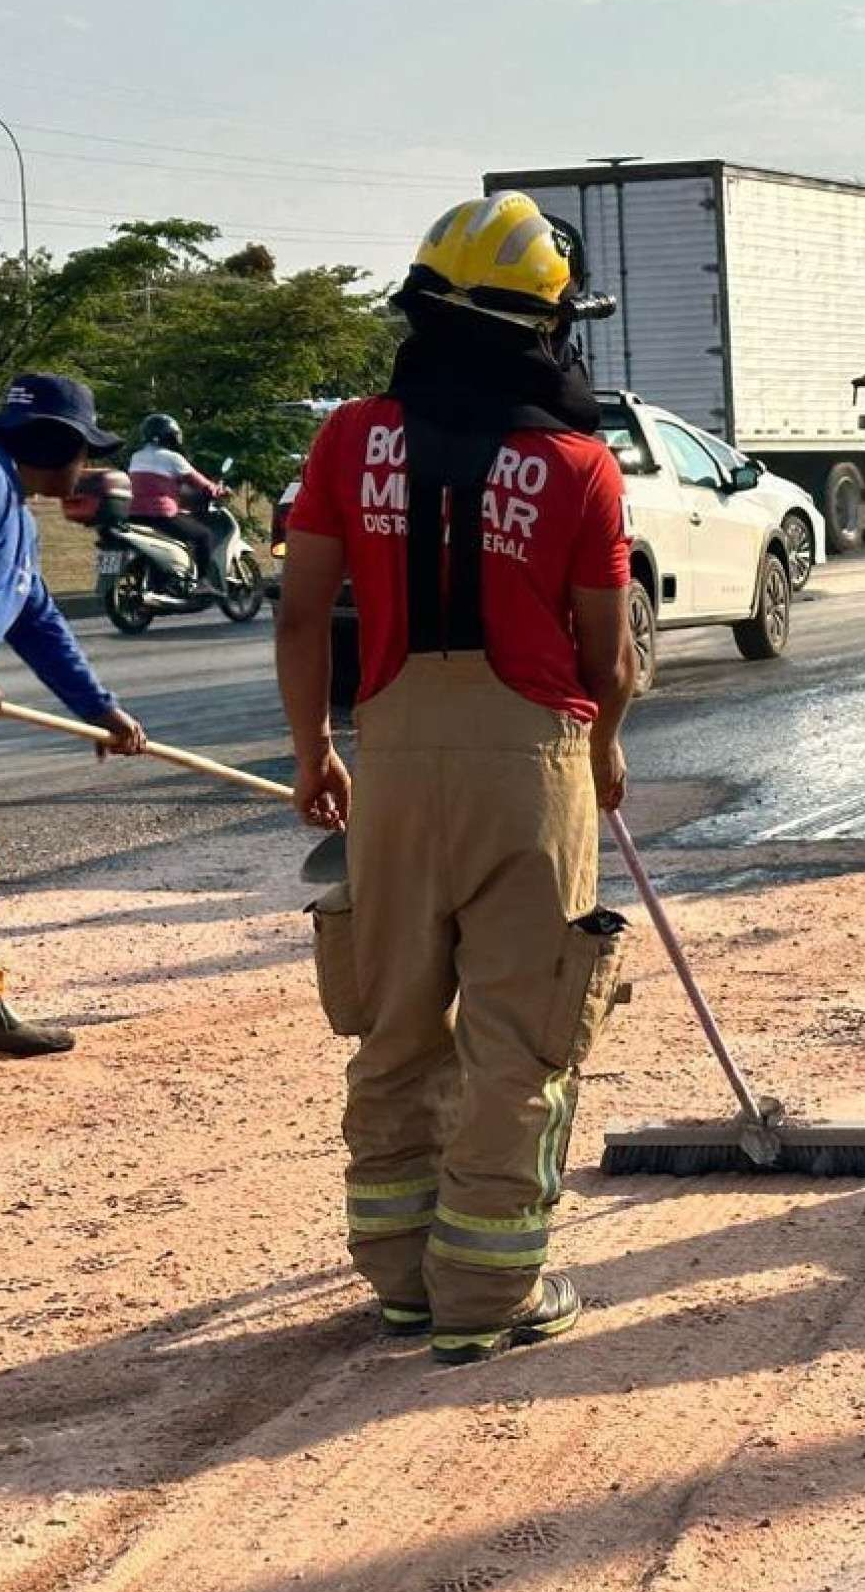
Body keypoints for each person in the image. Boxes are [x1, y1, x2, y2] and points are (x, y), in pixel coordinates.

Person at [278, 191, 637, 1365]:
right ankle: (489, 1294)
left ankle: (399, 1276)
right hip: (526, 762)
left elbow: (299, 618)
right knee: (519, 1031)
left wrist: (312, 751)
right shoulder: (577, 462)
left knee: (393, 1017)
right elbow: (607, 654)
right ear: (542, 328)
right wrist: (605, 743)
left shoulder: (347, 439)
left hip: (389, 753)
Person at [0, 373, 148, 1061]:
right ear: (58, 444)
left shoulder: (15, 514)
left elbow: (39, 622)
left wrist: (102, 710)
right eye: (85, 449)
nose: (88, 466)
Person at [127, 413, 227, 592]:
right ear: (169, 435)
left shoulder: (136, 456)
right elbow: (201, 484)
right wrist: (218, 490)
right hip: (160, 514)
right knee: (203, 536)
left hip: (134, 515)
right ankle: (202, 583)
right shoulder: (172, 458)